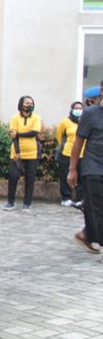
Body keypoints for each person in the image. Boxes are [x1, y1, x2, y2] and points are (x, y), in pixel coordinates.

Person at [68, 81, 103, 261]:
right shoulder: (90, 114)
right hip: (93, 167)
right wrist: (72, 169)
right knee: (97, 208)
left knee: (93, 207)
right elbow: (78, 143)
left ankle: (86, 235)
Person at [4, 95, 42, 211]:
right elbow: (13, 137)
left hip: (32, 152)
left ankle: (27, 203)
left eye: (31, 103)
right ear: (21, 104)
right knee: (13, 176)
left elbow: (34, 133)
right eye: (26, 103)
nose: (28, 105)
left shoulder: (36, 118)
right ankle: (10, 202)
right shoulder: (15, 118)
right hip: (17, 152)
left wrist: (19, 134)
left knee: (30, 178)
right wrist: (18, 152)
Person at [56, 101, 84, 208]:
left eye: (80, 108)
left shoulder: (84, 121)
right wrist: (63, 146)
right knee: (65, 176)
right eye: (76, 108)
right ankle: (66, 198)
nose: (78, 110)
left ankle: (80, 198)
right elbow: (59, 136)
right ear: (72, 109)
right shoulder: (65, 122)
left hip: (82, 154)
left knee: (81, 177)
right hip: (66, 153)